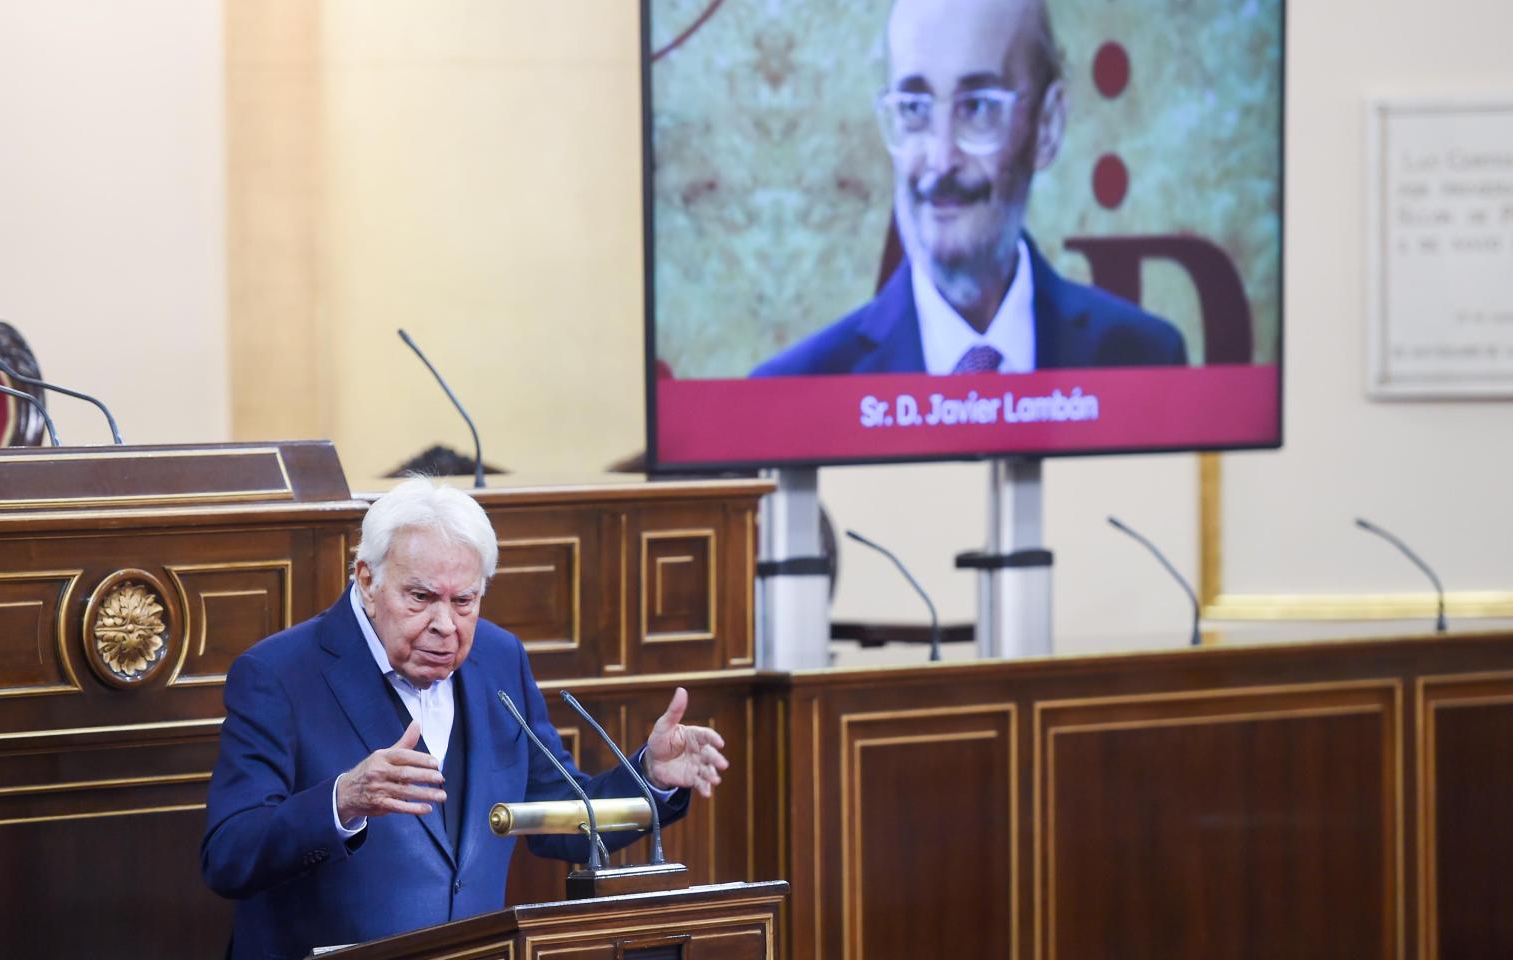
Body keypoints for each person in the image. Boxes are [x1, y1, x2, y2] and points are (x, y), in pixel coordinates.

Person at [201, 477, 728, 959]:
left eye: (464, 601)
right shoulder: (278, 674)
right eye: (421, 598)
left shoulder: (499, 658)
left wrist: (650, 778)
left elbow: (558, 817)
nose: (445, 625)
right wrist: (341, 800)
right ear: (366, 579)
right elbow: (229, 854)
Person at [752, 0, 1184, 377]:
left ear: (1047, 126)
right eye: (915, 109)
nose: (941, 160)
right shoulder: (801, 394)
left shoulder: (1146, 361)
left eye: (977, 107)